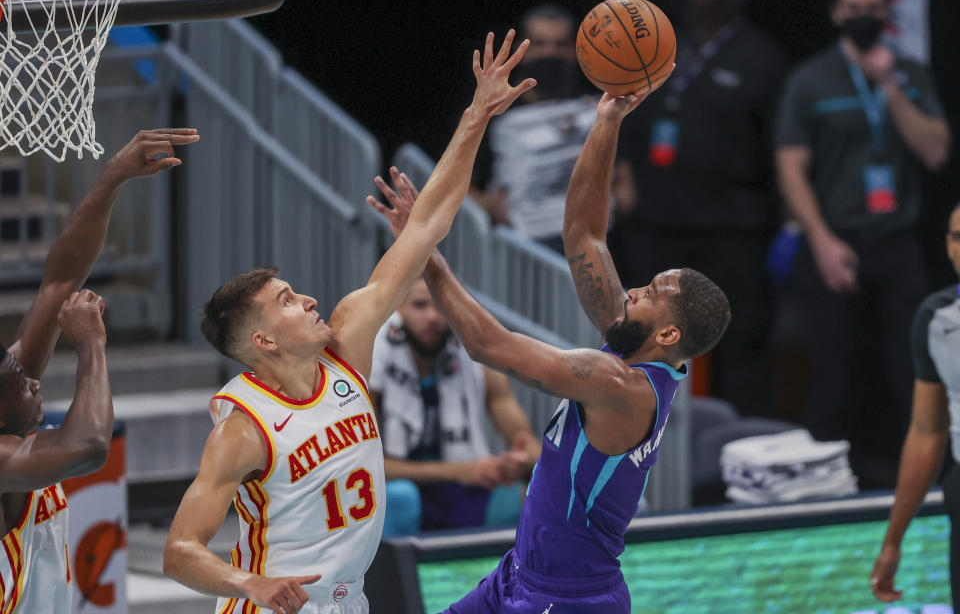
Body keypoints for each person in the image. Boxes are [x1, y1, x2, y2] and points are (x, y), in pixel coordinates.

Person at [162, 31, 537, 614]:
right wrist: (248, 583)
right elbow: (180, 550)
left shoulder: (345, 346)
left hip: (348, 601)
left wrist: (476, 114)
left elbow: (428, 224)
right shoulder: (243, 428)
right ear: (263, 341)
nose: (308, 300)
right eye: (287, 300)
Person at [368, 89, 730, 614]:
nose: (633, 292)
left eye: (650, 294)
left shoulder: (619, 385)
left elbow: (486, 343)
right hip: (520, 574)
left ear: (670, 335)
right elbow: (584, 235)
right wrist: (607, 120)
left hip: (570, 599)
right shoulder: (633, 346)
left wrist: (422, 249)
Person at [0, 128, 198, 613]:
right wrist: (91, 344)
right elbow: (88, 448)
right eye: (17, 380)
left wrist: (110, 180)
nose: (32, 377)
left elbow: (60, 280)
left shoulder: (9, 402)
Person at [775, 0, 950, 486]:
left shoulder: (910, 73)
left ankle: (926, 480)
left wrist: (891, 86)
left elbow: (936, 152)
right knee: (833, 374)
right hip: (834, 242)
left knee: (913, 369)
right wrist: (822, 241)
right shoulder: (811, 79)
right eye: (854, 8)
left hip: (897, 243)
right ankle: (826, 486)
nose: (865, 16)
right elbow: (790, 167)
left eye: (874, 7)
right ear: (836, 13)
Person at [610, 0, 787, 417]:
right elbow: (625, 113)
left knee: (738, 343)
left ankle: (741, 456)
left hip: (731, 232)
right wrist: (624, 170)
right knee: (647, 341)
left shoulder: (761, 57)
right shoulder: (658, 49)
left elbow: (776, 152)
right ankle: (647, 441)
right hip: (654, 226)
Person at [371, 277, 540, 535]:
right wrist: (462, 470)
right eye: (420, 305)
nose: (432, 316)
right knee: (400, 498)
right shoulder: (372, 363)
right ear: (399, 309)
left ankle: (515, 576)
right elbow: (368, 467)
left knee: (535, 495)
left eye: (441, 306)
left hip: (463, 488)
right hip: (402, 488)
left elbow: (527, 443)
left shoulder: (480, 361)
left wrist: (520, 461)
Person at [870, 202, 960, 610]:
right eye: (958, 237)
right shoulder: (936, 318)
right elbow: (927, 431)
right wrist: (893, 540)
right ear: (947, 245)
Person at [471, 3, 598, 252]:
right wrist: (488, 205)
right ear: (523, 50)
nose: (550, 53)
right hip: (518, 249)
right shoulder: (493, 112)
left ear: (574, 50)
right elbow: (460, 184)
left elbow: (626, 188)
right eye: (540, 44)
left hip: (588, 244)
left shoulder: (598, 108)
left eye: (560, 44)